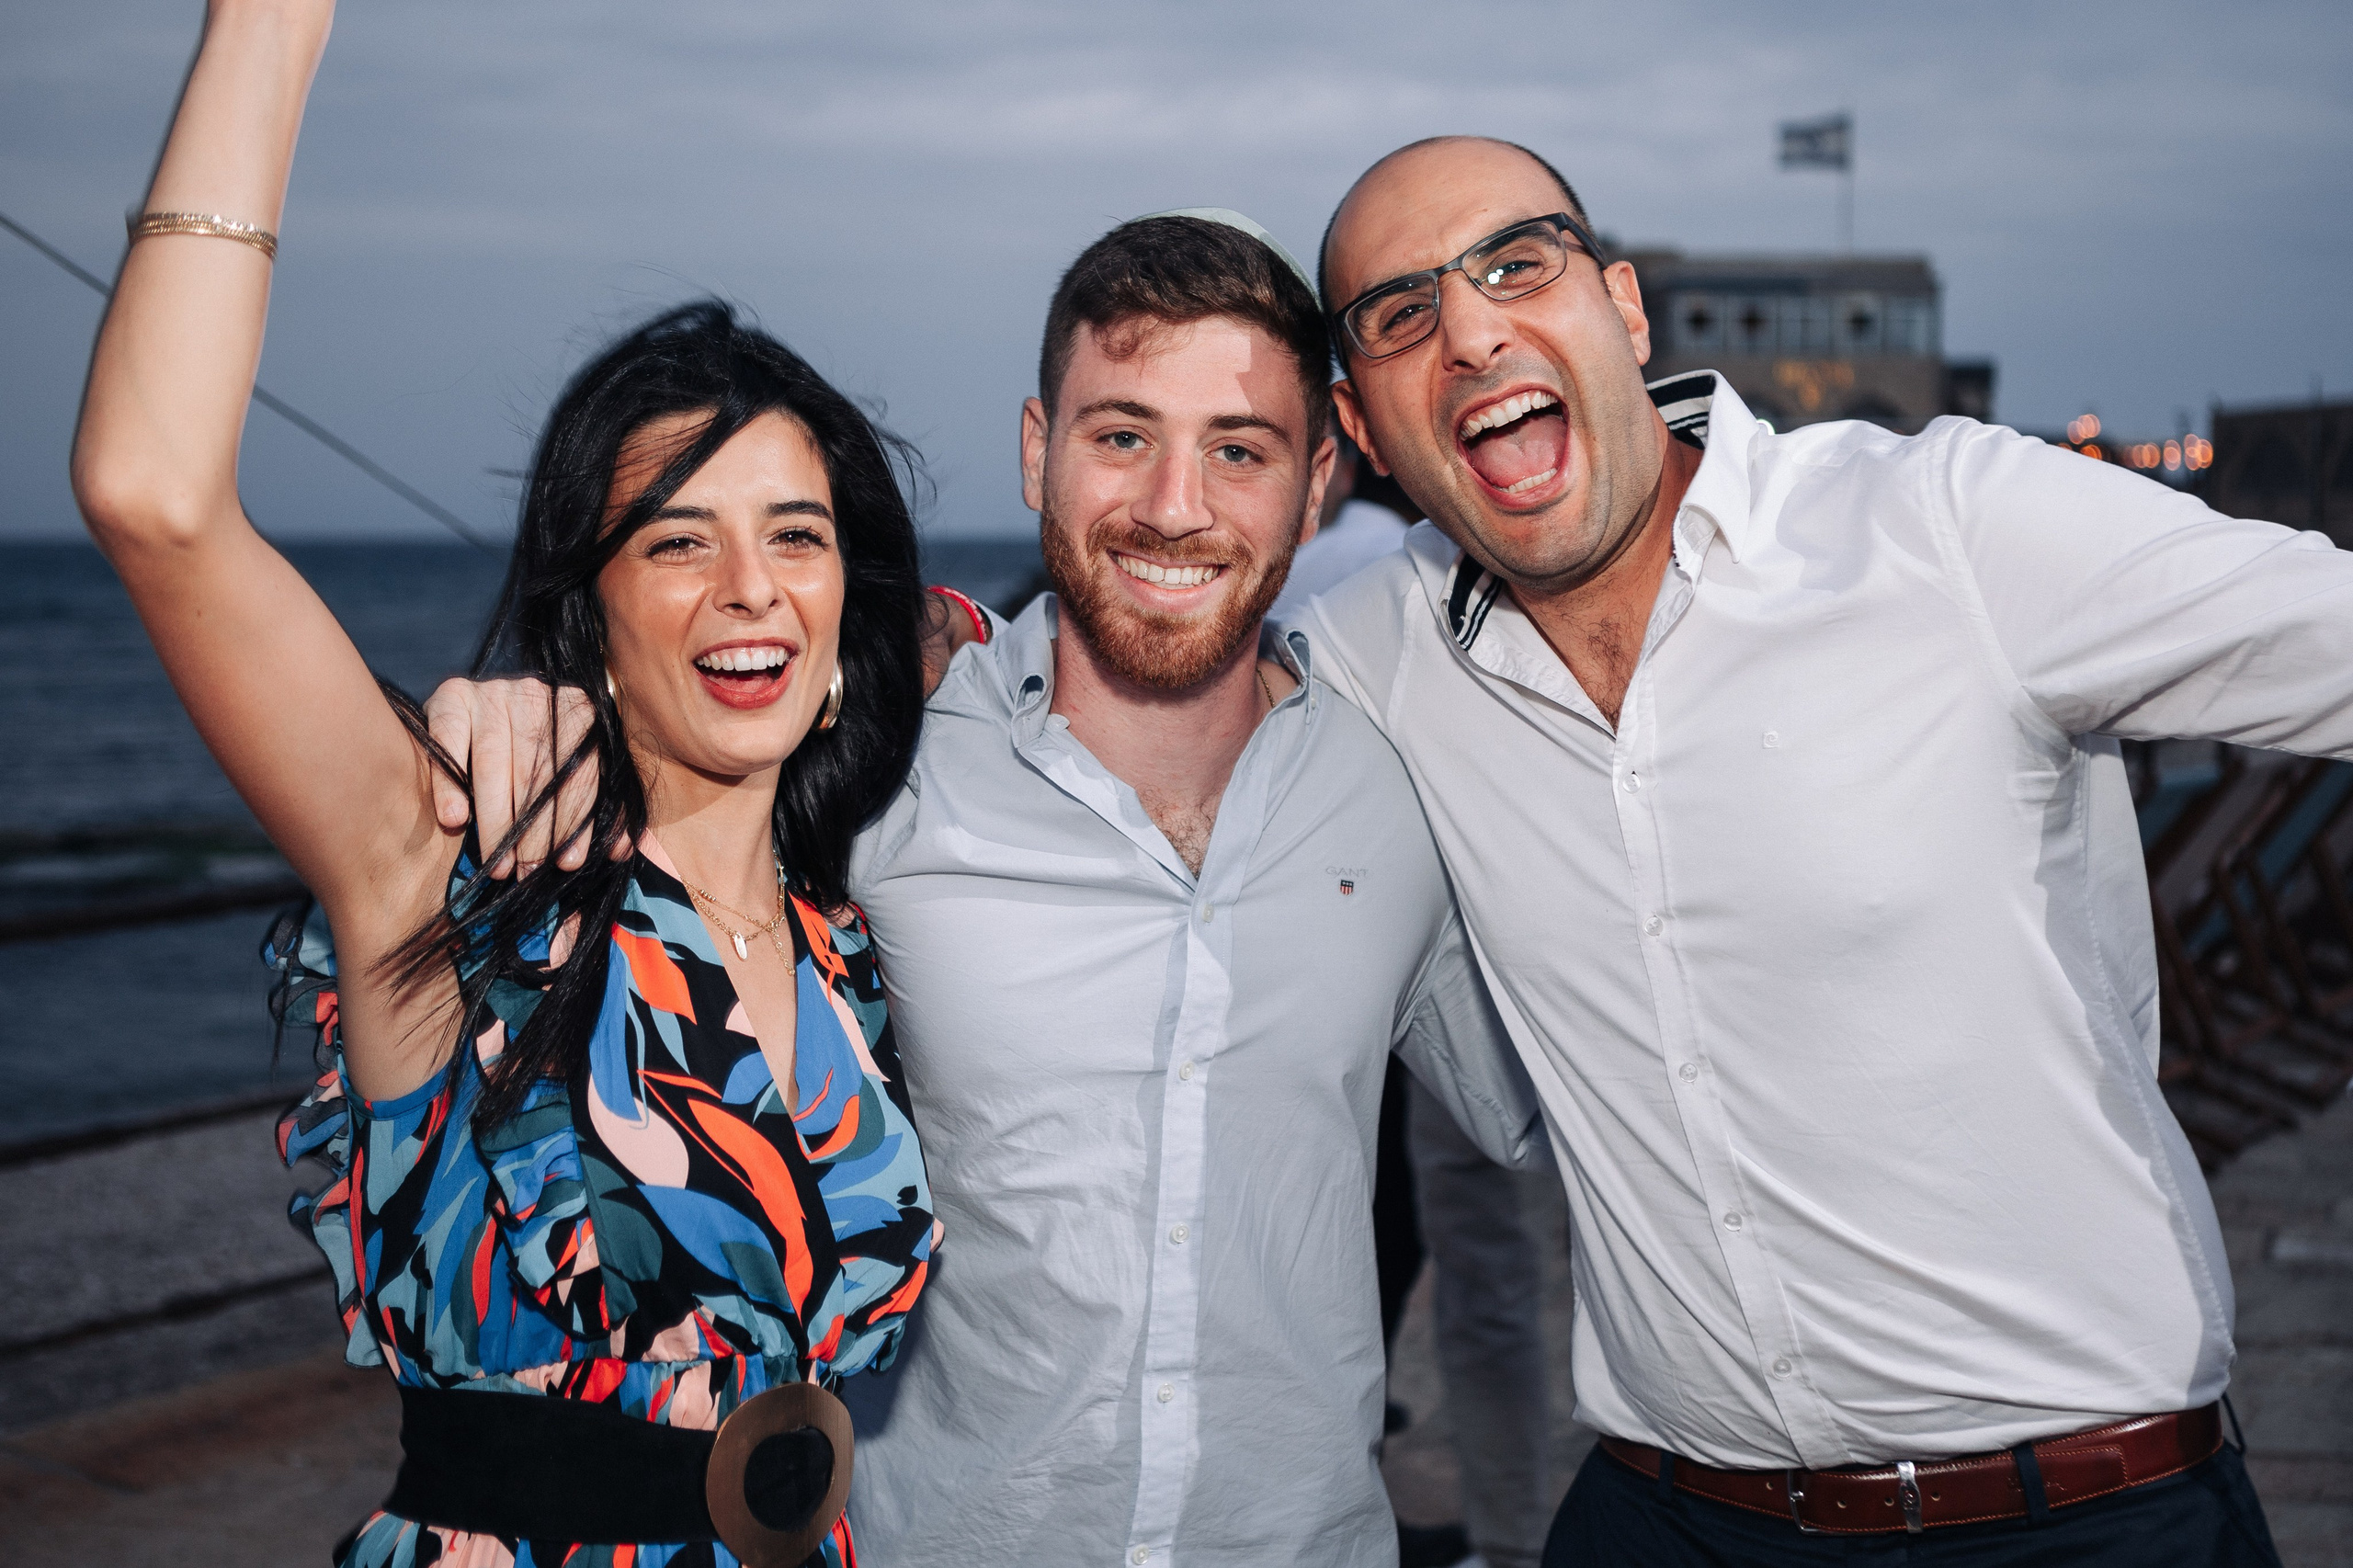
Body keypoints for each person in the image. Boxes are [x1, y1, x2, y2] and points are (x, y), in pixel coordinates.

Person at [429, 210, 1540, 1567]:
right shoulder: (874, 773)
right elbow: (680, 727)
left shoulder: (1397, 788)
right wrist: (543, 717)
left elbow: (1558, 1101)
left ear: (1317, 487)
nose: (1173, 504)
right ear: (1037, 451)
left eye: (1238, 451)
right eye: (1121, 434)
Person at [1303, 134, 2349, 1562]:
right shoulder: (1372, 661)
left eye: (1515, 264)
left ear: (1621, 309)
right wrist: (941, 639)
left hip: (2083, 1516)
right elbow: (1120, 673)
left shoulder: (1947, 526)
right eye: (1401, 314)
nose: (1472, 330)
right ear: (1364, 429)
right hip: (1670, 1512)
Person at [70, 6, 932, 1564]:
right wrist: (274, 24)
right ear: (591, 614)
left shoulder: (845, 947)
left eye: (794, 534)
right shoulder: (462, 873)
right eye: (678, 539)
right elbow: (157, 493)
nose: (751, 587)